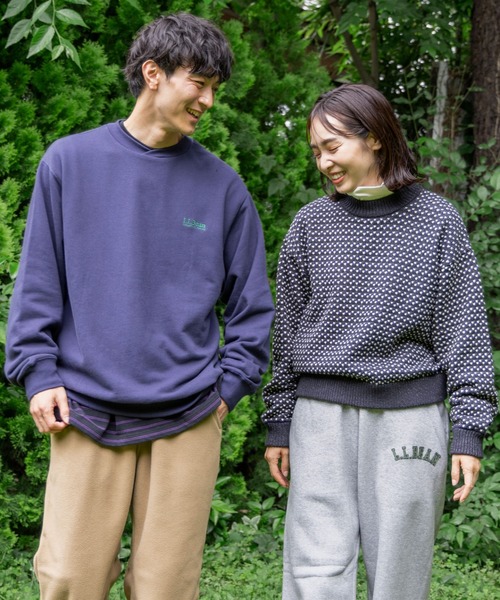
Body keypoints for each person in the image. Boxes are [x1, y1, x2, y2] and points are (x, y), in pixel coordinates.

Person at [4, 12, 274, 600]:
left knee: (166, 588)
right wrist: (38, 373)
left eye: (214, 89)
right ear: (154, 74)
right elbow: (39, 282)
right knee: (69, 580)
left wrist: (227, 391)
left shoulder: (223, 189)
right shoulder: (68, 164)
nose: (208, 101)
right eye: (198, 83)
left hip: (188, 414)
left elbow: (252, 309)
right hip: (84, 406)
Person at [262, 83, 497, 600]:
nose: (323, 162)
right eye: (316, 151)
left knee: (399, 571)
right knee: (314, 569)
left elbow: (464, 333)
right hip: (319, 419)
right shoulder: (310, 224)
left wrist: (468, 430)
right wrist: (279, 422)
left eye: (332, 146)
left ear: (374, 138)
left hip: (409, 417)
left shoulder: (437, 222)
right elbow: (288, 332)